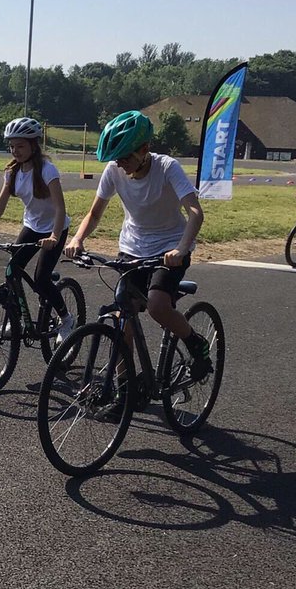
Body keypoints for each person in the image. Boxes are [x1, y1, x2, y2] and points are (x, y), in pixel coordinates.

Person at [64, 110, 211, 388]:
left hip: (170, 247)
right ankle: (124, 387)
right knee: (122, 316)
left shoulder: (167, 168)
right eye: (116, 158)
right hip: (132, 247)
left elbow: (195, 212)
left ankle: (195, 342)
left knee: (157, 305)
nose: (120, 164)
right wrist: (77, 239)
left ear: (145, 149)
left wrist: (181, 249)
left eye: (125, 157)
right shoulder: (114, 171)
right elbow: (95, 214)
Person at [0, 117, 74, 342]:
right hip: (32, 226)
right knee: (12, 270)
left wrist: (55, 236)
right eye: (11, 146)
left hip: (54, 228)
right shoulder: (12, 172)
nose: (15, 151)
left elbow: (60, 208)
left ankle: (66, 319)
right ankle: (15, 319)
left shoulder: (48, 170)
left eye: (20, 146)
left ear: (33, 145)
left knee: (41, 279)